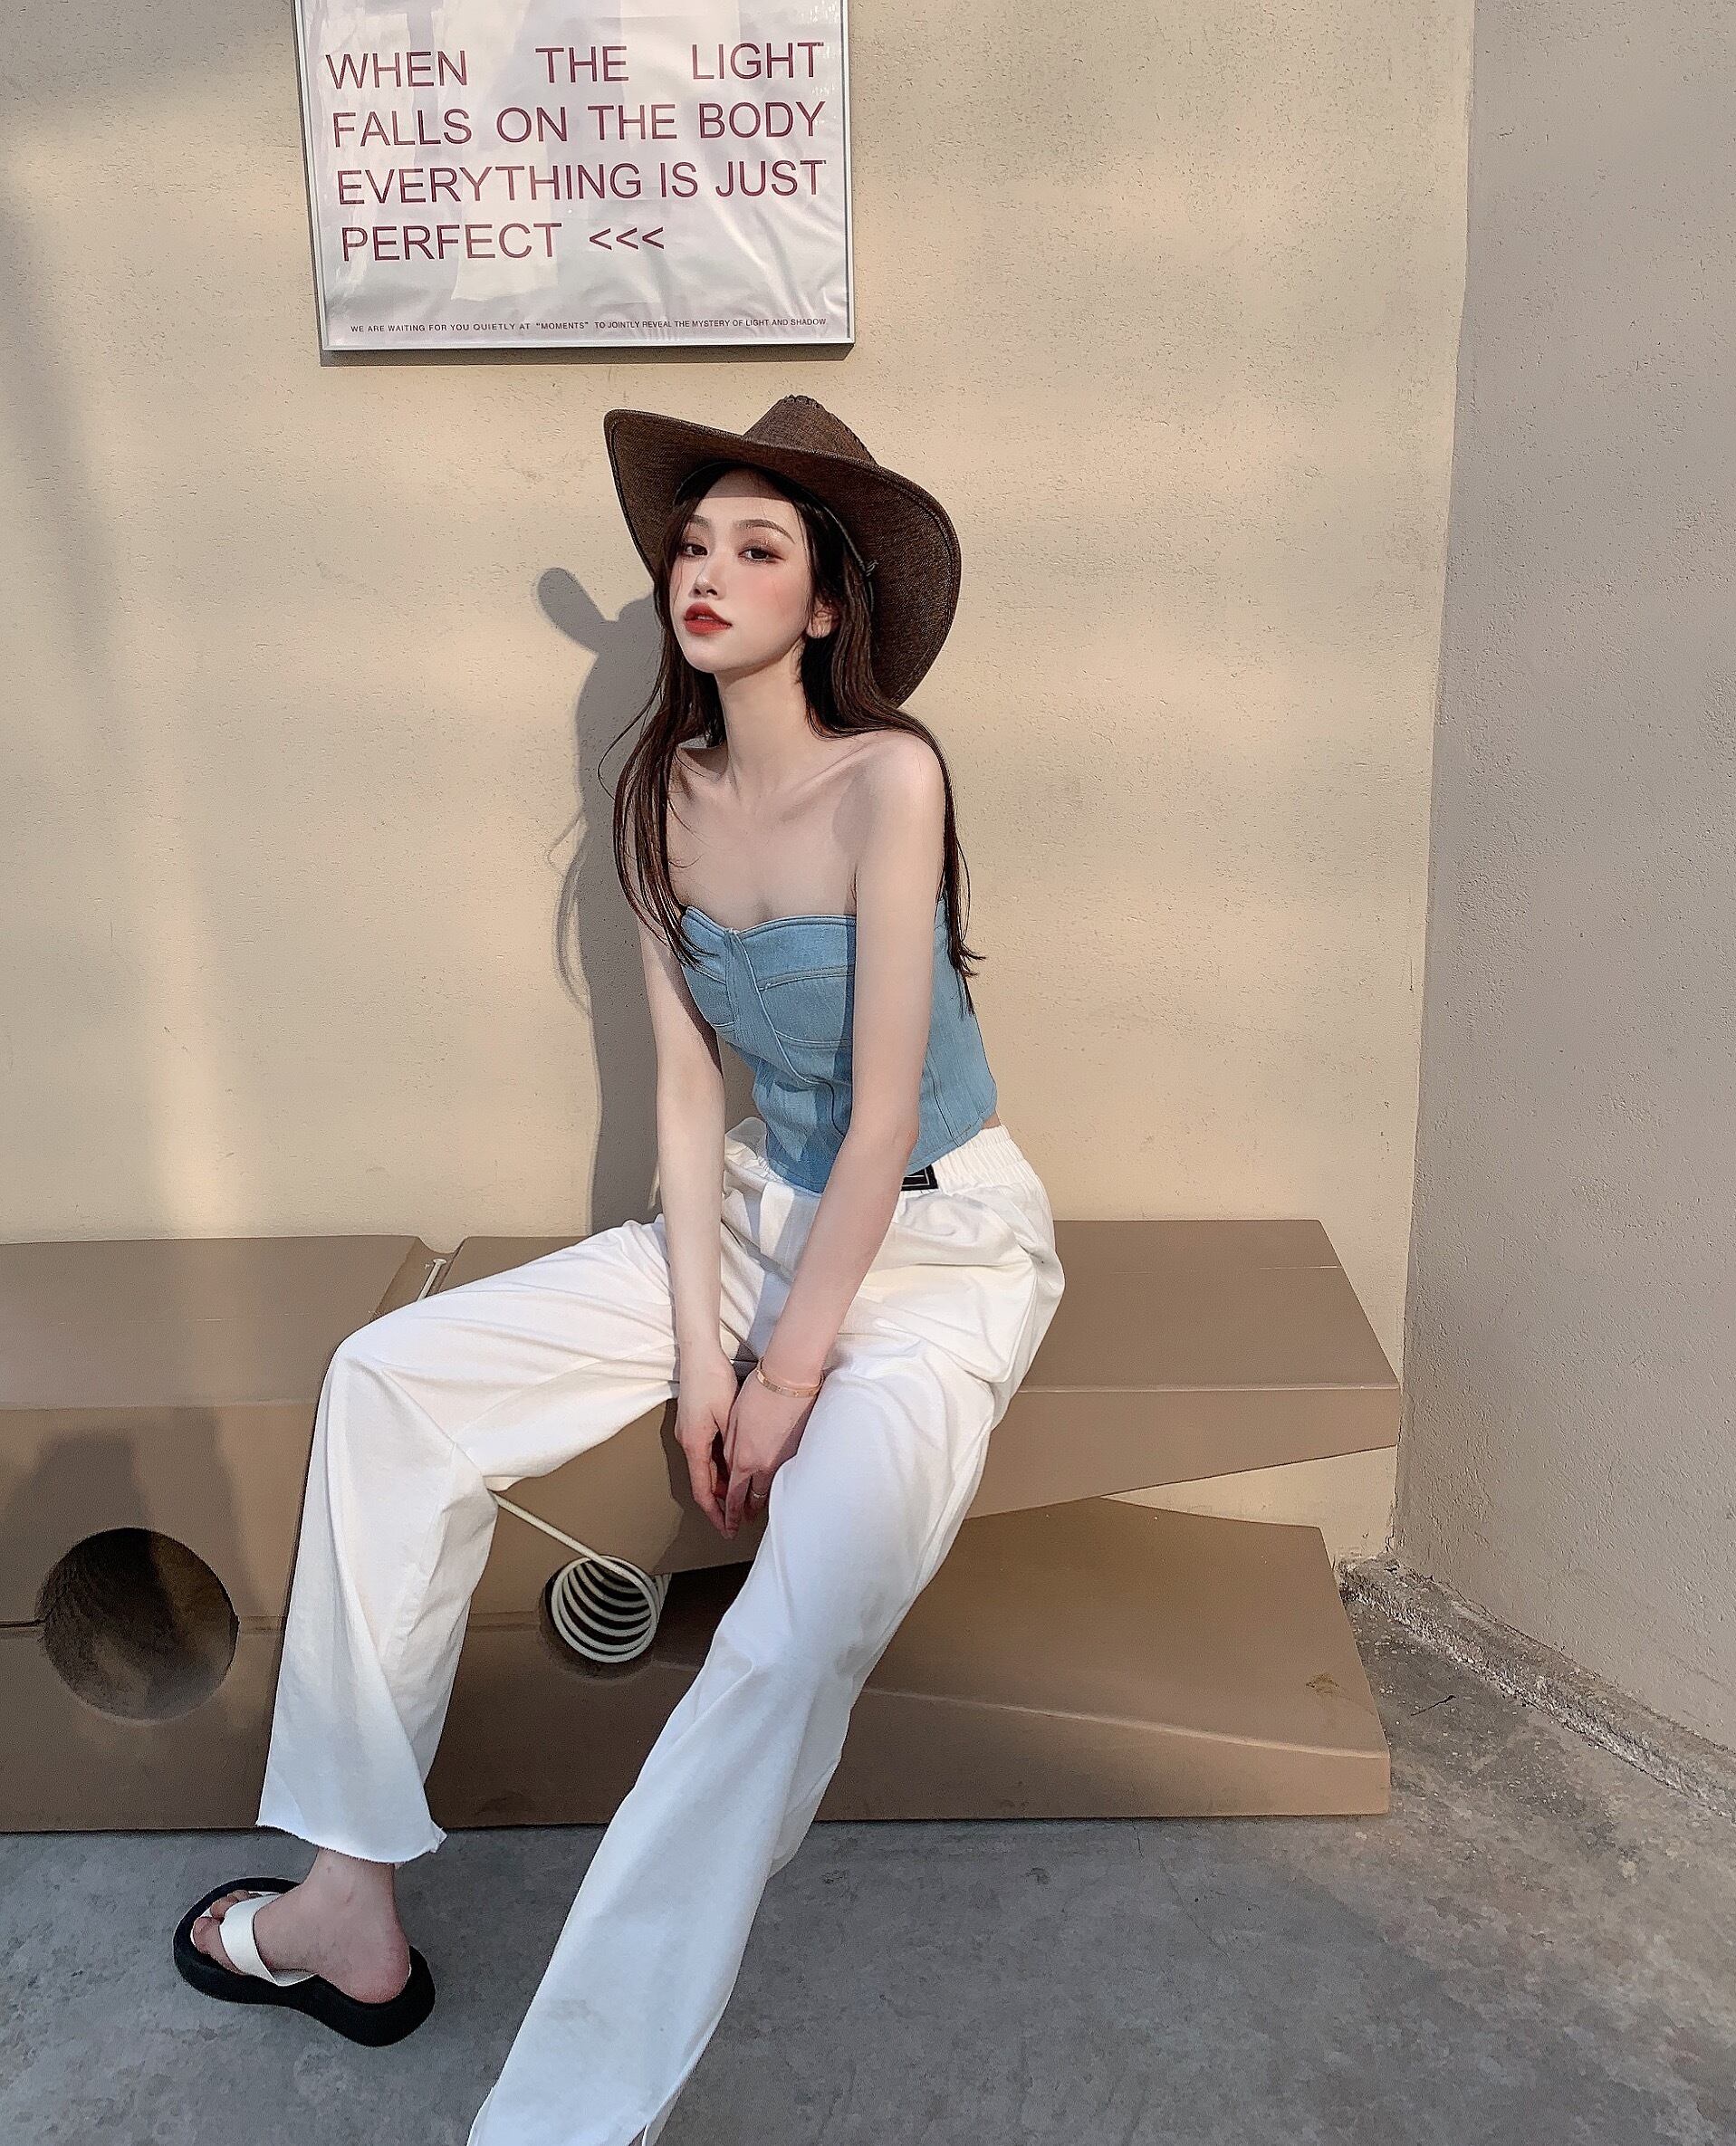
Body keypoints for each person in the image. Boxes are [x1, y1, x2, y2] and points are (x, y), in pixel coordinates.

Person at [169, 393, 1067, 2145]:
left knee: (783, 1643)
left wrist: (786, 1382)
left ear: (827, 602)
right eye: (691, 542)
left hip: (939, 1244)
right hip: (746, 1221)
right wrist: (706, 1365)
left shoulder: (893, 777)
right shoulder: (658, 791)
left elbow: (885, 1115)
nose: (705, 570)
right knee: (389, 1379)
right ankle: (346, 1896)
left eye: (759, 547)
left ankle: (566, 2118)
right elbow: (685, 1093)